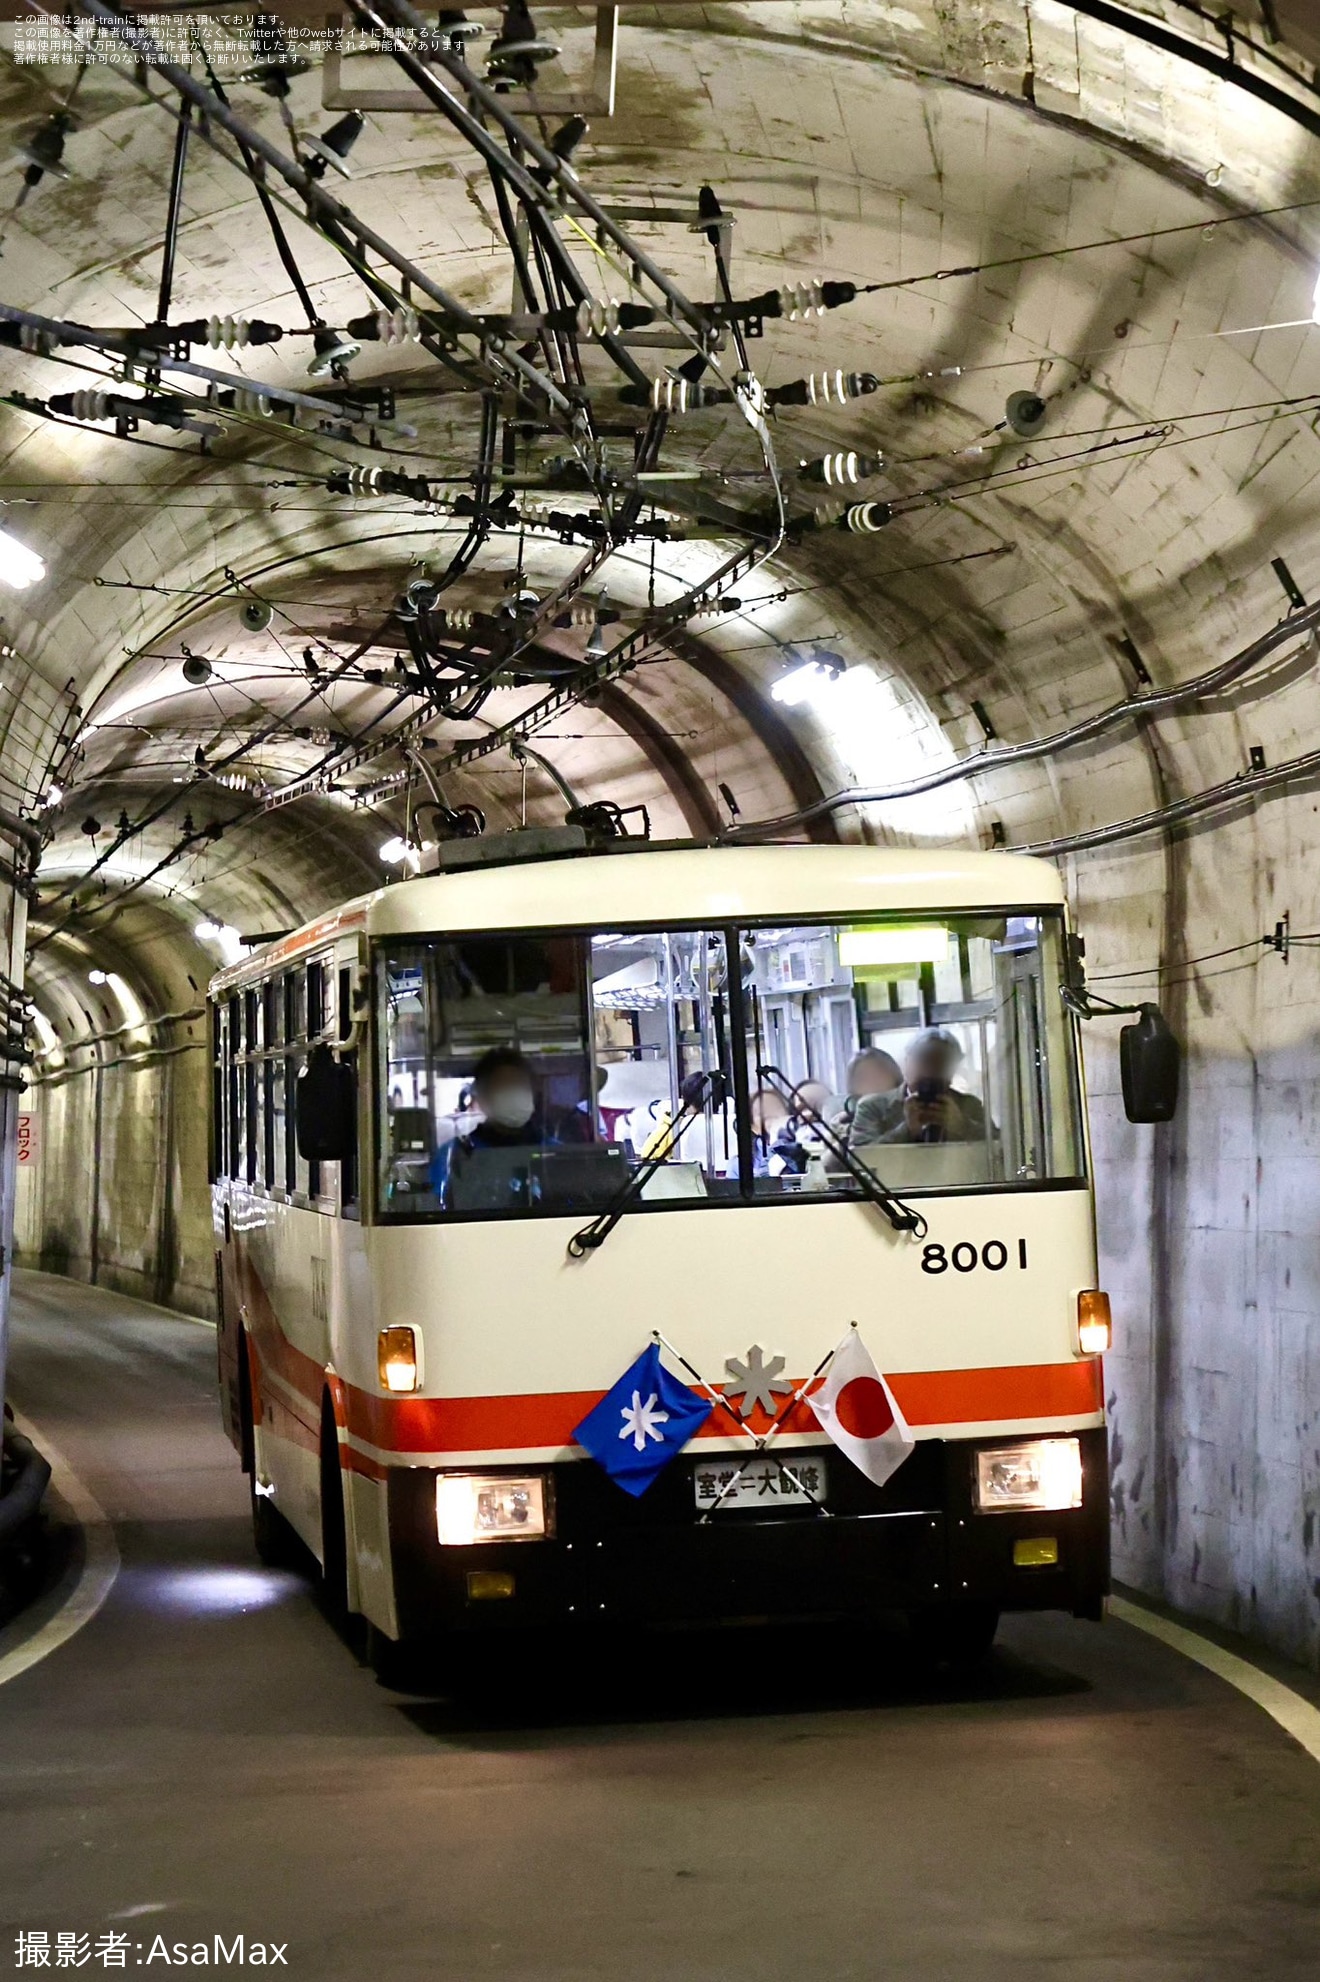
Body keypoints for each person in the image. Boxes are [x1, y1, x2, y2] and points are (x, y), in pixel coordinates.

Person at [434, 1046, 546, 1206]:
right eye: (503, 1086)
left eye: (519, 1085)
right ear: (482, 1097)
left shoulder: (553, 1152)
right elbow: (438, 1207)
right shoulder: (454, 1156)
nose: (513, 1093)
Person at [848, 1028, 987, 1146]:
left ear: (953, 1070)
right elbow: (861, 1157)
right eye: (925, 1061)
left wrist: (962, 1126)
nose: (931, 1071)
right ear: (907, 1062)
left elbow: (1000, 1149)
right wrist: (906, 1130)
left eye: (942, 1063)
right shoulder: (873, 1107)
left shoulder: (969, 1106)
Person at [830, 1047, 901, 1135]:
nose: (871, 1082)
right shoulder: (838, 1133)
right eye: (863, 1077)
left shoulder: (913, 1126)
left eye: (877, 1075)